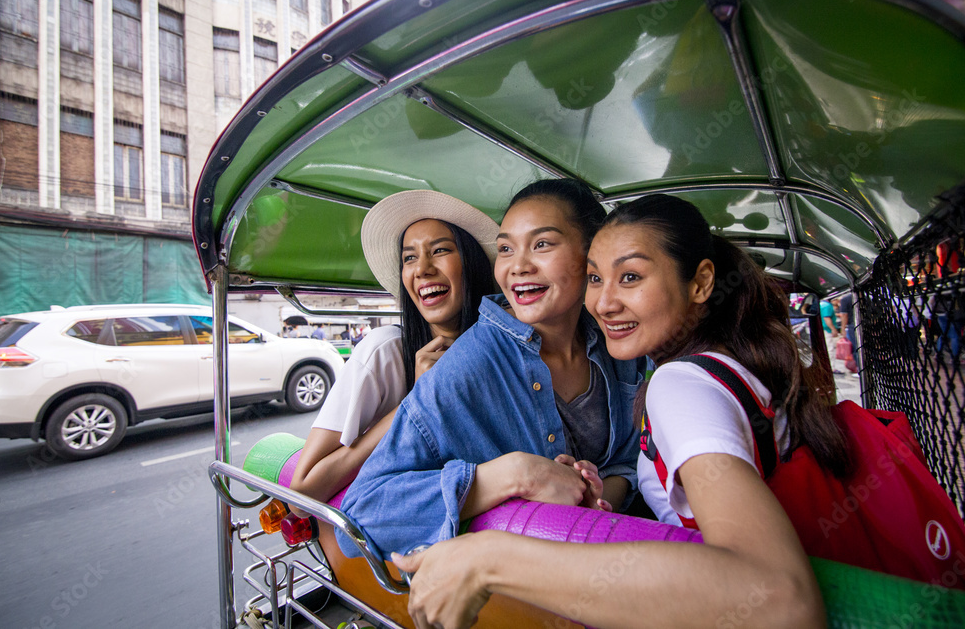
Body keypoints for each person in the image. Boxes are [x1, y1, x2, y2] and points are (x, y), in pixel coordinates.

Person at [392, 194, 845, 629]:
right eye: (596, 278)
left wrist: (489, 560)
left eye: (630, 277)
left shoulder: (677, 384)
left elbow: (779, 600)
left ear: (702, 282)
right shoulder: (727, 360)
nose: (604, 303)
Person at [338, 179, 650, 560]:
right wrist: (515, 475)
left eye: (542, 244)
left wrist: (597, 497)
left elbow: (627, 458)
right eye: (505, 249)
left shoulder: (618, 345)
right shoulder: (465, 368)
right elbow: (362, 514)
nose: (518, 266)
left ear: (592, 256)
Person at [287, 190, 498, 505]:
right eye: (409, 257)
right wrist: (416, 401)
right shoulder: (384, 352)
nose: (422, 268)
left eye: (440, 250)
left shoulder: (503, 352)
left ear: (473, 263)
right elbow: (302, 493)